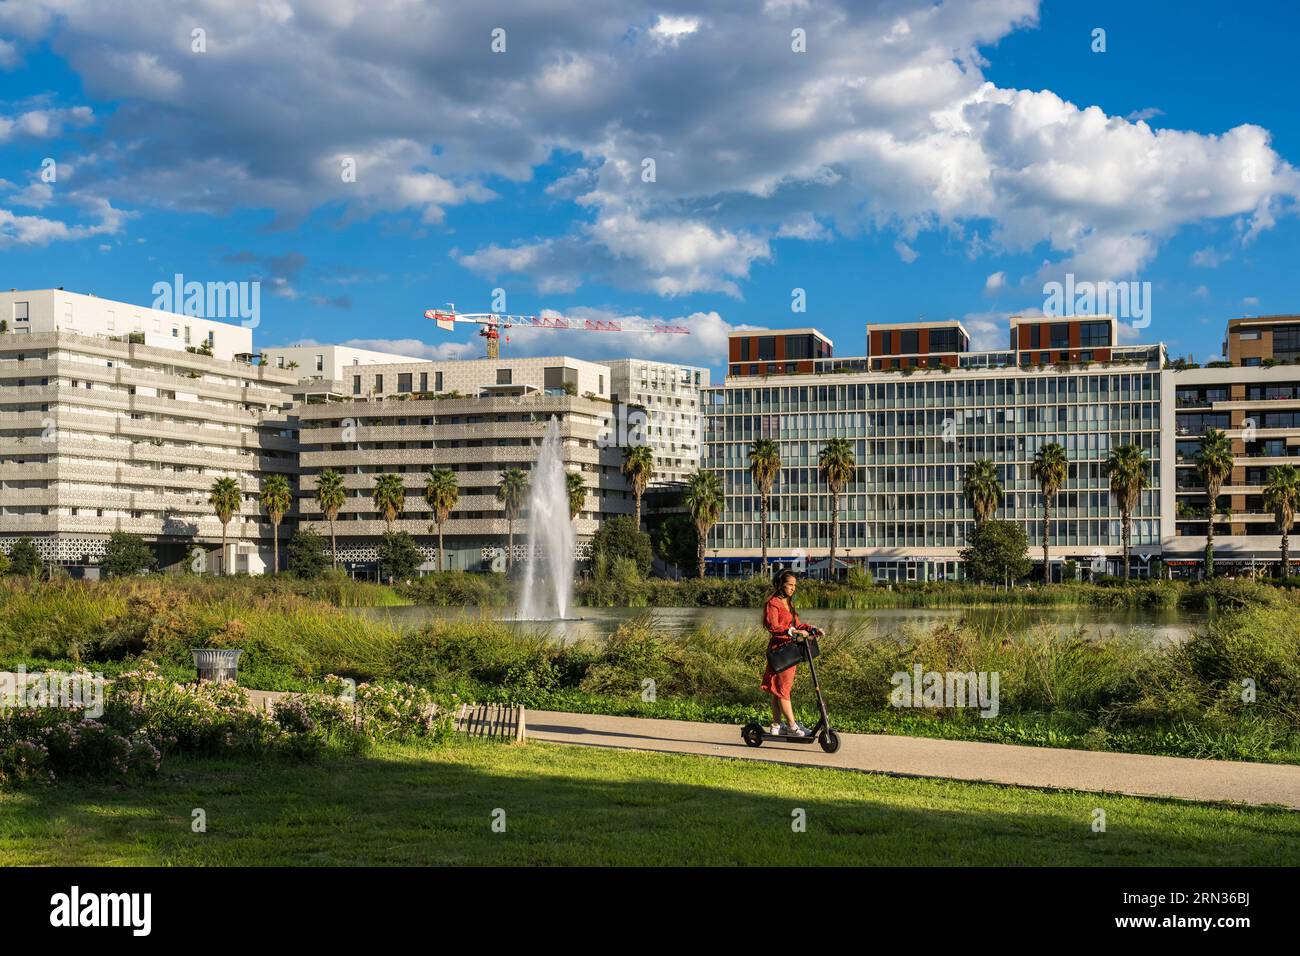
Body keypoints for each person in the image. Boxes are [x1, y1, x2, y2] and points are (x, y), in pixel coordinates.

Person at [760, 570, 820, 737]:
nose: (793, 588)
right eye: (790, 585)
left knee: (777, 689)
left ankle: (776, 725)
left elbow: (797, 624)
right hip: (780, 652)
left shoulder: (789, 603)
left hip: (790, 650)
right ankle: (792, 727)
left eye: (795, 585)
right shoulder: (773, 603)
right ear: (781, 585)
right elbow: (773, 626)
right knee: (782, 689)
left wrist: (812, 629)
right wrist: (792, 632)